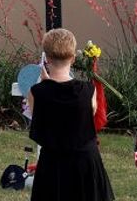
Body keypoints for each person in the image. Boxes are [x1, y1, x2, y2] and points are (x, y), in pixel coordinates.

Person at [28, 29, 114, 201]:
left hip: (52, 165)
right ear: (73, 58)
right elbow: (90, 114)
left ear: (47, 58)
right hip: (85, 163)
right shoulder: (89, 91)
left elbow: (40, 115)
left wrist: (46, 85)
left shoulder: (36, 92)